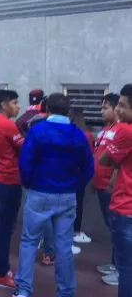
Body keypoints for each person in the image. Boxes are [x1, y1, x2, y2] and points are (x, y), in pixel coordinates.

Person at [13, 93, 94, 297]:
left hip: (39, 192)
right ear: (68, 111)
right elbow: (88, 168)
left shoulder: (37, 131)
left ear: (46, 110)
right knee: (64, 246)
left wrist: (29, 183)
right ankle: (66, 292)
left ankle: (23, 290)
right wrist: (75, 186)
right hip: (67, 194)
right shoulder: (78, 135)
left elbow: (25, 163)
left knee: (29, 241)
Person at [0, 90, 24, 288]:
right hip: (8, 179)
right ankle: (2, 272)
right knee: (5, 228)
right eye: (15, 102)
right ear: (3, 104)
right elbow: (24, 147)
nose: (18, 106)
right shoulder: (7, 125)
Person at [99, 84, 132, 297]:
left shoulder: (125, 132)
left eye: (121, 105)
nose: (117, 110)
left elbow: (105, 159)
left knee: (127, 267)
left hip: (126, 206)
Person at [91, 93, 120, 285]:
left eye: (105, 108)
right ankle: (114, 263)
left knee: (119, 230)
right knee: (113, 229)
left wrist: (110, 183)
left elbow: (118, 163)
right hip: (101, 185)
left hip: (112, 189)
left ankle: (122, 269)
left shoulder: (122, 130)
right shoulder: (106, 128)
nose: (102, 111)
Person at [70, 108, 94, 245]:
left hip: (65, 174)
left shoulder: (67, 133)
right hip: (79, 174)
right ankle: (76, 232)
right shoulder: (86, 135)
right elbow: (89, 157)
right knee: (77, 205)